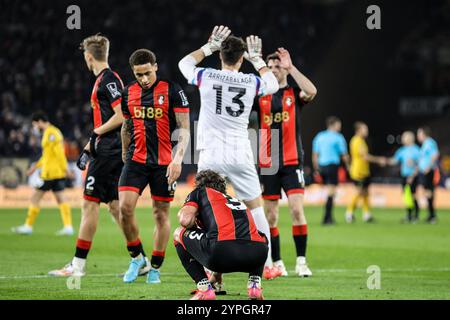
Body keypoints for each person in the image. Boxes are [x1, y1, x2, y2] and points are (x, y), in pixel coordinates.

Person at [178, 26, 280, 279]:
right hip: (240, 152)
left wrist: (208, 46)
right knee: (256, 208)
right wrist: (257, 59)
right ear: (241, 58)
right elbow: (273, 83)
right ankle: (265, 265)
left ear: (220, 56)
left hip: (212, 154)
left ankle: (212, 272)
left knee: (205, 210)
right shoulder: (250, 80)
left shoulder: (207, 76)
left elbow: (184, 63)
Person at [49, 34, 125, 277]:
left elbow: (121, 115)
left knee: (88, 204)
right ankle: (140, 259)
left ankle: (78, 267)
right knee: (114, 207)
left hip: (107, 150)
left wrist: (95, 135)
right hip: (111, 149)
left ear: (89, 57)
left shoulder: (107, 80)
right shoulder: (109, 79)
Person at [119, 48, 190, 284]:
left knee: (160, 214)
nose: (144, 79)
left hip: (163, 163)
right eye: (139, 75)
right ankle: (137, 256)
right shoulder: (128, 92)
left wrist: (178, 158)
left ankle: (156, 267)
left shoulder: (173, 91)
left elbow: (184, 129)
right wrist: (123, 151)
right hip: (136, 160)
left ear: (156, 67)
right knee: (124, 209)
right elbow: (126, 125)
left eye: (147, 73)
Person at [256, 49, 317, 277]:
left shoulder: (293, 94)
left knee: (296, 210)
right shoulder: (260, 97)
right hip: (268, 163)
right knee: (270, 216)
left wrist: (292, 68)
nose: (273, 71)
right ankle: (277, 261)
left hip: (292, 162)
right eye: (270, 67)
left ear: (284, 70)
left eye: (277, 67)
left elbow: (312, 91)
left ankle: (301, 261)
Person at [174, 170, 269, 300]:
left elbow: (185, 220)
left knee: (178, 233)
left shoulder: (201, 192)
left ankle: (204, 289)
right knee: (260, 237)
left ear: (200, 185)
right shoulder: (234, 200)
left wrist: (195, 225)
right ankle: (254, 285)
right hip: (257, 255)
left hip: (220, 253)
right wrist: (217, 273)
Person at [12, 111, 73, 236]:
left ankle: (28, 226)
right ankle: (68, 227)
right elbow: (47, 155)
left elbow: (60, 154)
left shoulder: (52, 133)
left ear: (40, 121)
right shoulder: (50, 133)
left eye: (35, 124)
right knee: (61, 198)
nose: (35, 127)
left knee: (35, 197)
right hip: (55, 172)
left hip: (50, 173)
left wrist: (66, 169)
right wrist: (35, 167)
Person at [345, 121, 385, 223]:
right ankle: (349, 213)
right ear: (358, 130)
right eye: (364, 129)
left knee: (366, 193)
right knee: (359, 192)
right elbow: (365, 156)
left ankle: (367, 214)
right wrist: (379, 160)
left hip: (364, 171)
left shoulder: (362, 141)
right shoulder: (357, 141)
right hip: (358, 171)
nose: (366, 131)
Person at [312, 116, 349, 225]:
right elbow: (344, 155)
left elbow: (315, 154)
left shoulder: (319, 136)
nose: (340, 126)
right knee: (332, 192)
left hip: (321, 167)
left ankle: (328, 217)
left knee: (328, 191)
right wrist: (348, 166)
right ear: (334, 124)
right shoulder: (338, 137)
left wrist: (316, 168)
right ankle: (327, 218)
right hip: (332, 166)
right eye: (339, 124)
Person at [386, 131, 420, 222]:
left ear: (410, 138)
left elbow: (419, 164)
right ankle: (409, 215)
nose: (402, 139)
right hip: (404, 176)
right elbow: (394, 160)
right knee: (406, 196)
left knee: (413, 195)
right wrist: (384, 161)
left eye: (404, 137)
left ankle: (416, 215)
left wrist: (412, 175)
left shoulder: (416, 150)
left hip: (412, 176)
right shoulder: (402, 150)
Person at [417, 126, 440, 224]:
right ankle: (431, 214)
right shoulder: (426, 143)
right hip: (424, 170)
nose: (418, 136)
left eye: (419, 133)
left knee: (428, 191)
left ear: (423, 133)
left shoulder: (429, 142)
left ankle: (432, 215)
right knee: (427, 191)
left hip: (428, 171)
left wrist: (428, 167)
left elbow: (435, 155)